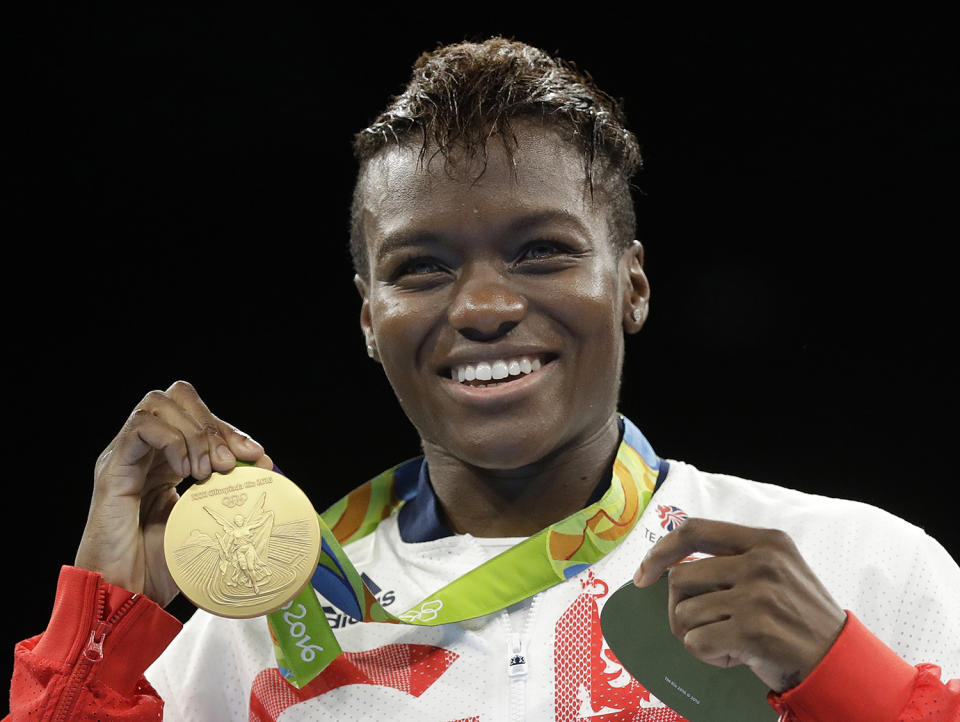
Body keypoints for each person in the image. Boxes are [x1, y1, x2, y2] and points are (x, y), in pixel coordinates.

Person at [8, 37, 960, 721]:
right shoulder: (245, 634)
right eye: (421, 267)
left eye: (542, 251)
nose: (482, 306)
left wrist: (849, 683)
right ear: (369, 318)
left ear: (630, 284)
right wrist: (104, 622)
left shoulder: (863, 571)